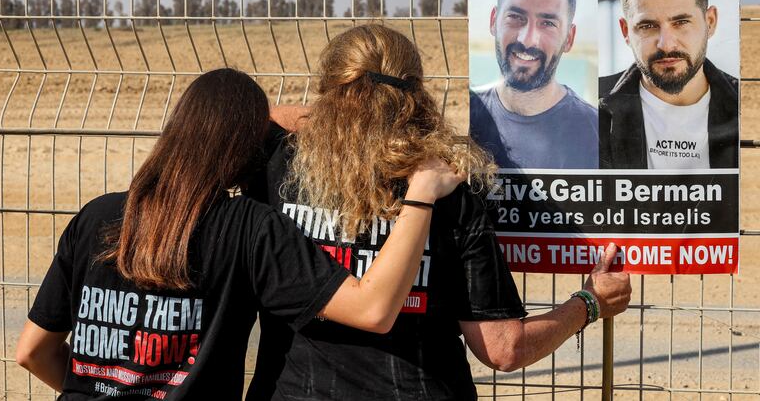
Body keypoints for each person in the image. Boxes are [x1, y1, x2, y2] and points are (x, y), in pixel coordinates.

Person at [15, 68, 465, 400]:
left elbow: (33, 352)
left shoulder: (97, 217)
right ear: (249, 147)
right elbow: (372, 309)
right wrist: (421, 191)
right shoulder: (248, 228)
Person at [246, 24, 631, 400]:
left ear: (329, 90)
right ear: (416, 95)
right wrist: (589, 302)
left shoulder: (276, 162)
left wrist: (330, 121)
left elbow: (255, 115)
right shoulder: (444, 185)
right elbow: (503, 348)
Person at [599, 0, 739, 169]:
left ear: (710, 22)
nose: (666, 44)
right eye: (647, 26)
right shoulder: (591, 113)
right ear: (626, 31)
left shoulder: (746, 108)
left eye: (681, 22)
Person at [470, 0, 598, 169]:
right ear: (494, 21)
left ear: (569, 38)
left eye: (547, 23)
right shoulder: (466, 117)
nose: (527, 39)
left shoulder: (595, 132)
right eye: (516, 17)